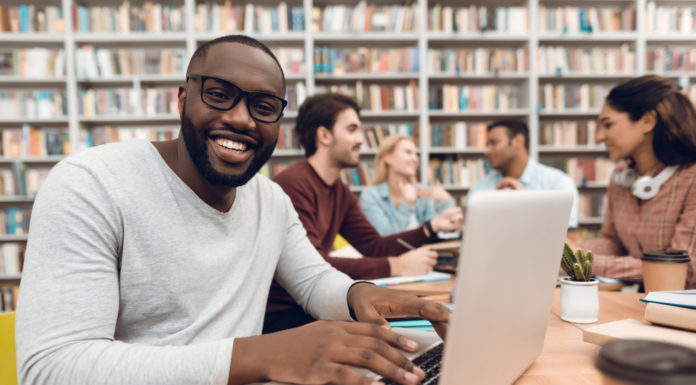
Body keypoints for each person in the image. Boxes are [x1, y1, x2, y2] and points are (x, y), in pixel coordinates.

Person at [15, 35, 451, 385]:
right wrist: (260, 355)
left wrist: (358, 293)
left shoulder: (270, 200)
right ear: (182, 99)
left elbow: (313, 279)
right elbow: (52, 368)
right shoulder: (90, 183)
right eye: (220, 95)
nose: (243, 120)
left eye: (264, 108)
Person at [266, 93, 463, 333]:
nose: (362, 140)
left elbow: (373, 246)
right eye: (352, 129)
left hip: (317, 308)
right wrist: (395, 265)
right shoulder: (294, 183)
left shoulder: (340, 191)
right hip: (286, 316)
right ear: (324, 135)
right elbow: (315, 265)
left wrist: (431, 227)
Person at [582, 75, 696, 289]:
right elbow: (612, 243)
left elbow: (683, 269)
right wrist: (572, 253)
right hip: (642, 302)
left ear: (647, 122)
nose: (598, 137)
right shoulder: (621, 175)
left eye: (608, 124)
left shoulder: (692, 178)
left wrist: (588, 263)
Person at [467, 119, 579, 228]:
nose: (487, 151)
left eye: (494, 143)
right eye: (487, 145)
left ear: (518, 141)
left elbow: (568, 234)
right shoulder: (480, 189)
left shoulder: (557, 184)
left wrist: (526, 202)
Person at [360, 135, 460, 236]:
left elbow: (437, 232)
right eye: (408, 152)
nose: (415, 159)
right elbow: (385, 238)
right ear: (388, 158)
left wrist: (446, 201)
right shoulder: (371, 196)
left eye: (415, 154)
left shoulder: (422, 194)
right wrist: (407, 205)